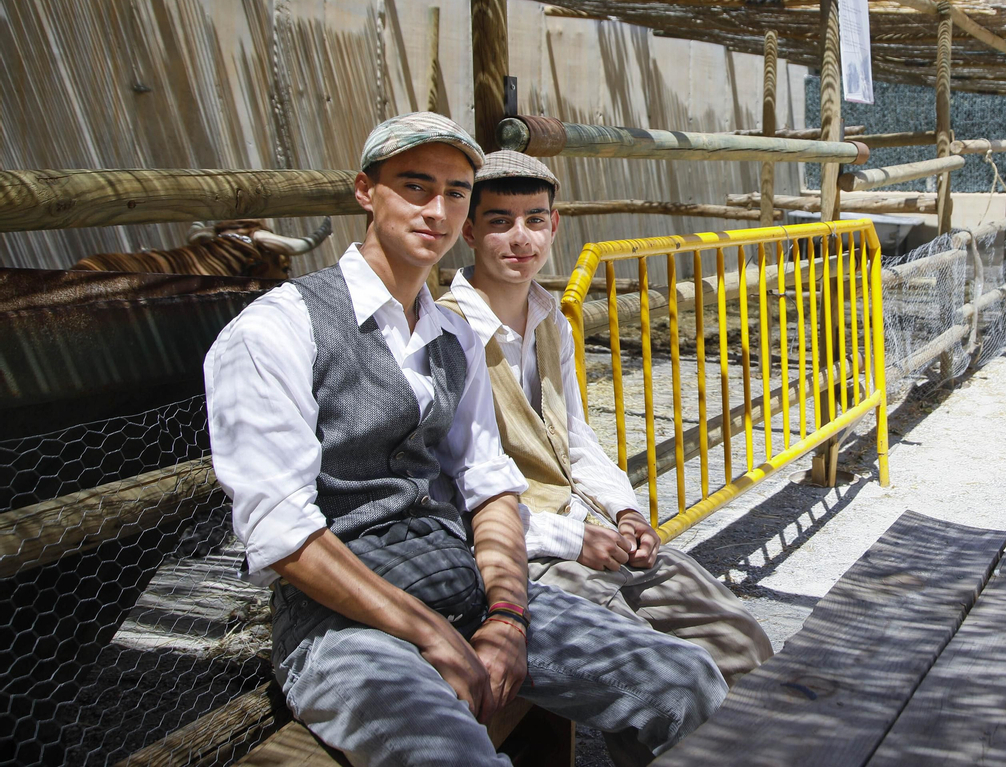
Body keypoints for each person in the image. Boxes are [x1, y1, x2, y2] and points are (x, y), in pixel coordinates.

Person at [204, 113, 725, 767]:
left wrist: (506, 615)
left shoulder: (451, 340)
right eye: (415, 187)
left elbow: (491, 489)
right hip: (344, 630)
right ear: (367, 191)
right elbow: (280, 531)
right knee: (452, 755)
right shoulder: (275, 329)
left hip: (466, 591)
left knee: (687, 681)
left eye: (455, 192)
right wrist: (428, 632)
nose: (437, 210)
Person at [438, 151, 774, 686]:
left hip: (586, 526)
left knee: (742, 641)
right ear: (470, 233)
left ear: (555, 226)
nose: (520, 238)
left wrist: (626, 512)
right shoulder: (447, 336)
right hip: (519, 554)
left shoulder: (552, 322)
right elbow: (456, 495)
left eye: (535, 219)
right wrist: (573, 539)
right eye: (499, 221)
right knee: (664, 675)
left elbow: (575, 439)